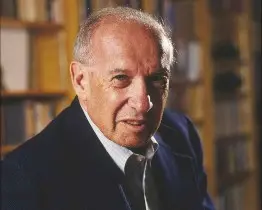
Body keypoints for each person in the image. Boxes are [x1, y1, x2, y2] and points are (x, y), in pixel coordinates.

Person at [1, 7, 215, 210]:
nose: (142, 103)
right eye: (121, 78)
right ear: (81, 80)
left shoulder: (182, 134)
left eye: (157, 79)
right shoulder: (22, 178)